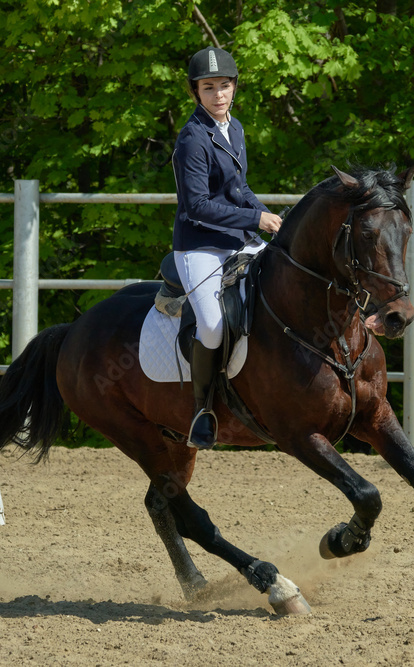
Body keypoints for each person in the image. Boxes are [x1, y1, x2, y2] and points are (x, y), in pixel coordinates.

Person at [171, 46, 282, 449]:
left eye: (225, 85)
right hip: (199, 246)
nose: (219, 94)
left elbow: (240, 189)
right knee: (215, 326)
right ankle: (203, 409)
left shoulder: (234, 129)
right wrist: (256, 220)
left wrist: (270, 217)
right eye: (209, 87)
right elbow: (197, 205)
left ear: (234, 87)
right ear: (195, 92)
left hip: (237, 241)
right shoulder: (192, 139)